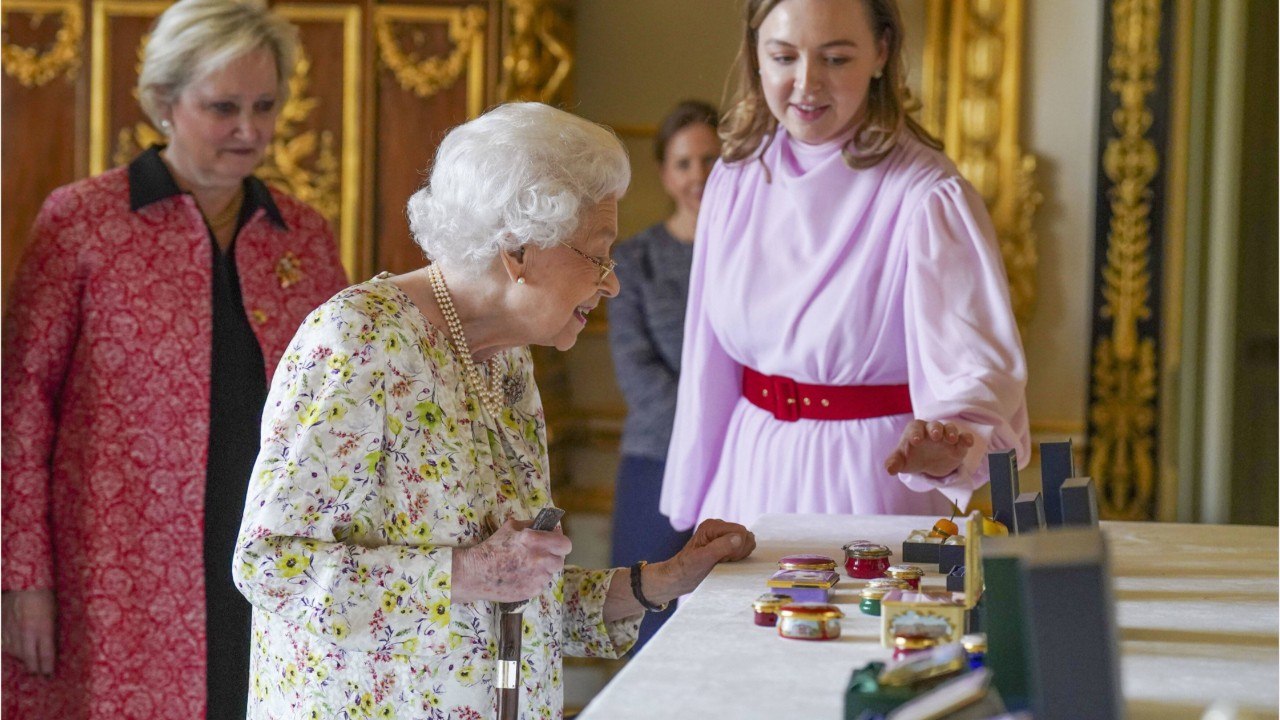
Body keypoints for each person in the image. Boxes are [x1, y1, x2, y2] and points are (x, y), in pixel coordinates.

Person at [232, 102, 755, 719]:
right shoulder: (360, 341)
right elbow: (271, 565)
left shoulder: (505, 358)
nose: (611, 282)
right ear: (518, 250)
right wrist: (467, 572)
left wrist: (659, 581)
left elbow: (508, 591)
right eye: (597, 254)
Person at [0, 1, 350, 718]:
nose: (250, 129)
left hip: (270, 562)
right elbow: (20, 405)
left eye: (265, 105)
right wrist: (21, 577)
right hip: (114, 568)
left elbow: (341, 408)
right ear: (165, 102)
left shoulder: (304, 235)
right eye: (224, 107)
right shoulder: (83, 221)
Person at [660, 0, 1031, 533]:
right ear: (756, 54)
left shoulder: (928, 197)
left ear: (881, 51)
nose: (806, 84)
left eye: (835, 59)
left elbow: (977, 374)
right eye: (783, 57)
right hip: (749, 470)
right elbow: (708, 362)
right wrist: (696, 496)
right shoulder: (735, 178)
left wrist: (950, 446)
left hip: (870, 477)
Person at [608, 100, 721, 649]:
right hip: (657, 458)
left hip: (737, 462)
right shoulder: (635, 259)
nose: (698, 174)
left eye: (710, 159)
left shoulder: (757, 254)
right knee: (647, 624)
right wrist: (714, 420)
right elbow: (635, 369)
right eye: (684, 162)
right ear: (665, 173)